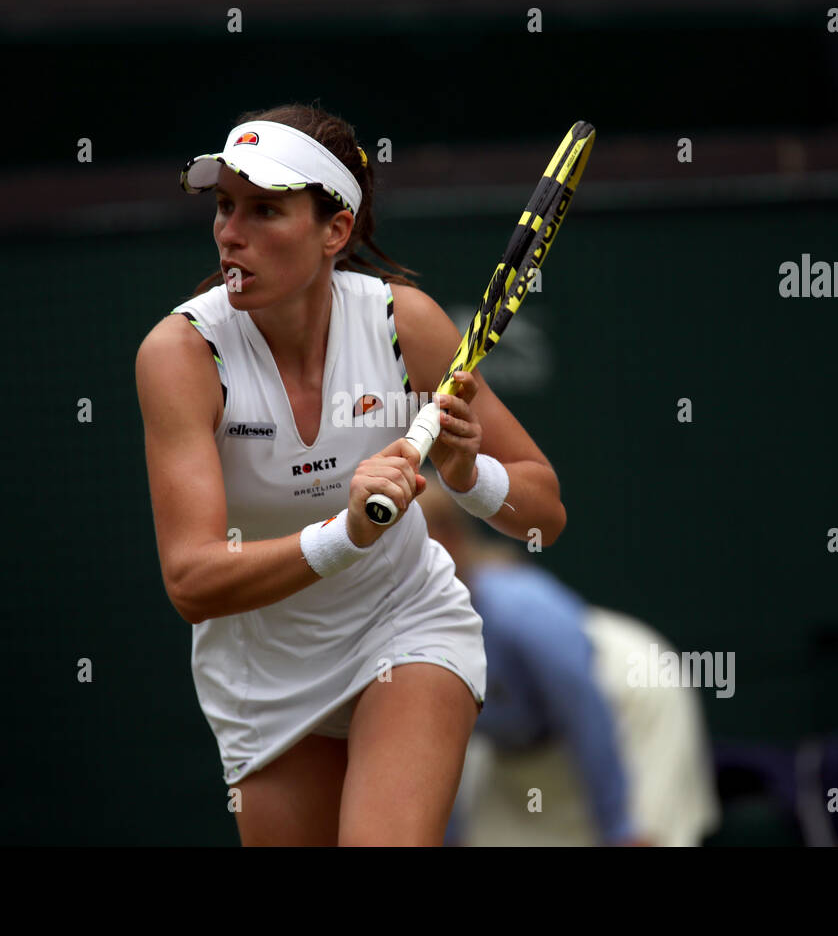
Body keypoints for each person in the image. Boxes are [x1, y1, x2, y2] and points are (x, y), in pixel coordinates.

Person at [135, 103, 566, 846]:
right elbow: (191, 582)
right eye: (225, 206)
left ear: (334, 230)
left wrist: (467, 474)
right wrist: (346, 532)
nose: (231, 233)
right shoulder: (180, 354)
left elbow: (543, 516)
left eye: (265, 210)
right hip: (261, 676)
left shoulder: (410, 325)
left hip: (403, 626)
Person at [417, 474, 720, 847]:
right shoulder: (397, 632)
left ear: (449, 539)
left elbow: (582, 705)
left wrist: (620, 828)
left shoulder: (518, 608)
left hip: (629, 702)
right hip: (523, 749)